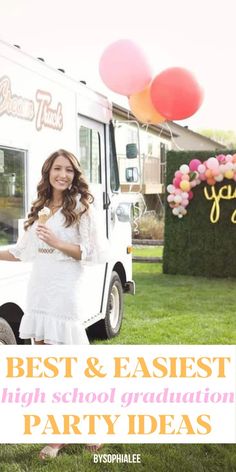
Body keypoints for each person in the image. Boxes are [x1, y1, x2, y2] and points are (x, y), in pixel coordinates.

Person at [0, 149, 106, 458]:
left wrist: (57, 242)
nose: (63, 174)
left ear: (75, 175)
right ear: (48, 173)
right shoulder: (41, 208)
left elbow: (95, 253)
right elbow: (23, 252)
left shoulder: (81, 208)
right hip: (39, 291)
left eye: (69, 170)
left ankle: (62, 435)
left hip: (64, 291)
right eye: (57, 168)